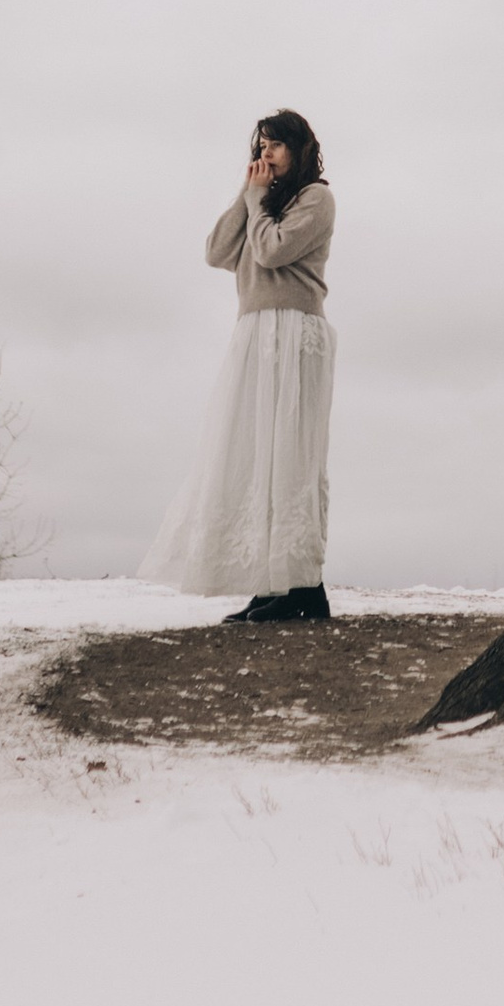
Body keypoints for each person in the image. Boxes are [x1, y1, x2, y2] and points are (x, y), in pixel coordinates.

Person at [139, 113, 336, 624]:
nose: (266, 153)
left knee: (291, 457)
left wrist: (257, 202)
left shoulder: (315, 199)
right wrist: (248, 194)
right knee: (253, 455)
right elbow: (217, 251)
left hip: (294, 331)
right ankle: (269, 581)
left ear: (299, 149)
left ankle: (304, 587)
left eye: (276, 145)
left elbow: (271, 251)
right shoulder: (261, 202)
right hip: (255, 332)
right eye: (261, 145)